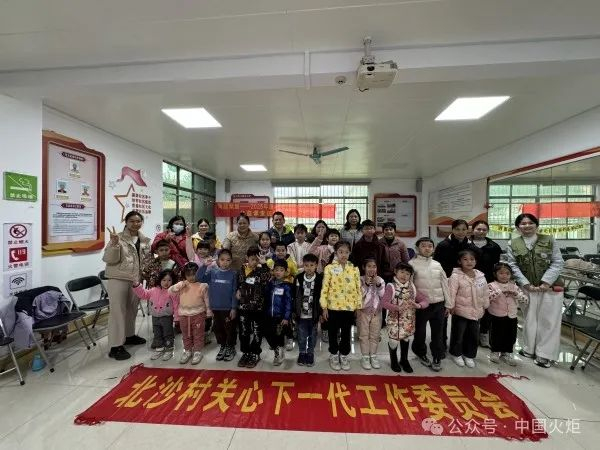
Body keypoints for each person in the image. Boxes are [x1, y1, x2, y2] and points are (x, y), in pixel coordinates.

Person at [506, 213, 564, 368]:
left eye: (530, 223)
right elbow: (512, 265)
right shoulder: (513, 243)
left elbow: (558, 262)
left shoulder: (549, 240)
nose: (527, 226)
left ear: (536, 225)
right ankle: (529, 349)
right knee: (529, 319)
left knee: (549, 320)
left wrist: (546, 282)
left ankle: (544, 355)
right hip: (527, 288)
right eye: (523, 223)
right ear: (518, 227)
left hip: (550, 288)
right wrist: (525, 283)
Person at [103, 211, 151, 361]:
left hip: (136, 279)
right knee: (117, 312)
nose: (135, 224)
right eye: (132, 221)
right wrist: (114, 244)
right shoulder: (118, 238)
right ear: (126, 222)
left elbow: (146, 260)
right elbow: (109, 259)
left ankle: (129, 335)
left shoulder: (144, 240)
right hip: (118, 279)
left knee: (132, 309)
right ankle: (115, 346)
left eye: (138, 221)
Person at [409, 237, 450, 372]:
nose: (427, 248)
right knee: (420, 332)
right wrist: (412, 304)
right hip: (421, 306)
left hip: (439, 304)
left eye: (430, 246)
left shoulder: (437, 264)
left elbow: (445, 284)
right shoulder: (411, 264)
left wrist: (448, 304)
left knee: (438, 332)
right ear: (417, 248)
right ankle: (420, 352)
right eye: (423, 246)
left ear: (433, 249)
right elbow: (409, 286)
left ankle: (437, 355)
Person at [321, 241, 362, 371]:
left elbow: (358, 288)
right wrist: (324, 307)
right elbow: (325, 288)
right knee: (332, 333)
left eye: (346, 252)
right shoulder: (329, 268)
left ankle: (344, 355)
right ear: (336, 253)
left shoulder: (354, 269)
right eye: (341, 252)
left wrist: (358, 306)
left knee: (346, 333)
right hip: (333, 307)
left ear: (350, 253)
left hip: (349, 308)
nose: (344, 255)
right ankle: (333, 354)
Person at [382, 262, 429, 373]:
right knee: (393, 341)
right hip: (394, 321)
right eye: (402, 272)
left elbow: (425, 300)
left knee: (406, 339)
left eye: (407, 274)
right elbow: (384, 303)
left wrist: (419, 305)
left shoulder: (412, 287)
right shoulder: (391, 287)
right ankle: (394, 360)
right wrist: (396, 307)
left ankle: (404, 360)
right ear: (396, 272)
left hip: (408, 320)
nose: (404, 275)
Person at [446, 250, 489, 369]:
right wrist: (450, 306)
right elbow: (451, 292)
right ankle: (456, 354)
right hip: (461, 310)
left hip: (477, 311)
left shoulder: (480, 276)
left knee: (473, 335)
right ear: (459, 261)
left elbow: (485, 291)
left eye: (472, 259)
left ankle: (469, 355)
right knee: (458, 334)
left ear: (476, 261)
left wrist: (485, 304)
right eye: (465, 259)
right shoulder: (455, 276)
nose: (469, 262)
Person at [196, 249, 238, 362]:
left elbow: (234, 292)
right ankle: (223, 346)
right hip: (215, 308)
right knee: (218, 328)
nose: (225, 262)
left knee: (230, 329)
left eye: (228, 260)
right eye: (222, 259)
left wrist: (233, 308)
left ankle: (230, 347)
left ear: (231, 261)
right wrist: (204, 266)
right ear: (218, 260)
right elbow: (199, 278)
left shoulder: (233, 274)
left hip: (228, 308)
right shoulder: (212, 272)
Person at [169, 262, 211, 365]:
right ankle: (187, 350)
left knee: (198, 334)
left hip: (198, 314)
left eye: (194, 274)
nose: (191, 277)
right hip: (184, 315)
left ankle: (197, 351)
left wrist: (209, 311)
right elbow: (170, 292)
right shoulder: (182, 285)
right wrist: (178, 285)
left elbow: (207, 300)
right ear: (185, 275)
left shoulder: (202, 286)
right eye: (188, 275)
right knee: (185, 334)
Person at [132, 270, 179, 361]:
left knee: (168, 333)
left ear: (173, 281)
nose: (166, 282)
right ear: (160, 280)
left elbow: (176, 305)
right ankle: (159, 348)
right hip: (155, 317)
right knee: (157, 333)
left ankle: (169, 349)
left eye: (169, 280)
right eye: (164, 280)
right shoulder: (153, 290)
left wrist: (177, 317)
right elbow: (144, 294)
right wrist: (137, 286)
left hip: (166, 317)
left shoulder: (172, 292)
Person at [488, 263, 529, 366]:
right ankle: (495, 351)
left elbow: (525, 300)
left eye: (507, 273)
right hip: (497, 315)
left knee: (510, 335)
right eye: (501, 273)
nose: (504, 275)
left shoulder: (514, 287)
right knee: (496, 334)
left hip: (512, 316)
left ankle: (506, 353)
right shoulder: (491, 285)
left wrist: (516, 294)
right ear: (495, 274)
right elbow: (487, 298)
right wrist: (499, 291)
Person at [236, 247, 271, 368]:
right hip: (243, 307)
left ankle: (255, 353)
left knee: (257, 331)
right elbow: (239, 283)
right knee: (244, 331)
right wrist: (238, 290)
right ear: (247, 258)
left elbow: (268, 278)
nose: (254, 262)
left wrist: (264, 264)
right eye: (252, 259)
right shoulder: (241, 269)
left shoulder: (261, 271)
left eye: (257, 260)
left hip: (257, 308)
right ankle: (245, 352)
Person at [470, 220, 502, 348]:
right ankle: (471, 335)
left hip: (488, 281)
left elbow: (497, 266)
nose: (481, 231)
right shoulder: (466, 244)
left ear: (487, 231)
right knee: (470, 307)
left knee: (486, 308)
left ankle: (484, 333)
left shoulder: (494, 246)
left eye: (484, 229)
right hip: (469, 280)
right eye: (478, 229)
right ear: (473, 230)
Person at [294, 253, 323, 367]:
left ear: (316, 265)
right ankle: (302, 352)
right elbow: (295, 296)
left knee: (313, 335)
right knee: (301, 335)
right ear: (303, 265)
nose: (309, 268)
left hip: (313, 315)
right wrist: (294, 311)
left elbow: (321, 297)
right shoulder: (298, 278)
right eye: (306, 265)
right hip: (301, 314)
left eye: (312, 265)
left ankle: (310, 353)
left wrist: (320, 313)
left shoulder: (320, 279)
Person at [357, 259, 385, 370]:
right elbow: (358, 296)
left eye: (374, 266)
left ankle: (373, 356)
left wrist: (378, 285)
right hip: (363, 312)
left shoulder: (380, 280)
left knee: (375, 335)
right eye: (369, 266)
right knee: (363, 335)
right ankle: (365, 357)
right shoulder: (359, 279)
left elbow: (383, 296)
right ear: (364, 267)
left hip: (376, 312)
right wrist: (366, 285)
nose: (372, 269)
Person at [264, 259, 293, 366]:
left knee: (279, 335)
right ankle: (276, 347)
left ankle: (278, 353)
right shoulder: (270, 284)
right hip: (269, 315)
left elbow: (288, 303)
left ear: (285, 272)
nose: (278, 272)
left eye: (281, 270)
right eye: (276, 270)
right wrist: (268, 283)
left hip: (280, 316)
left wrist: (286, 317)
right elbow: (265, 295)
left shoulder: (286, 286)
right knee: (268, 333)